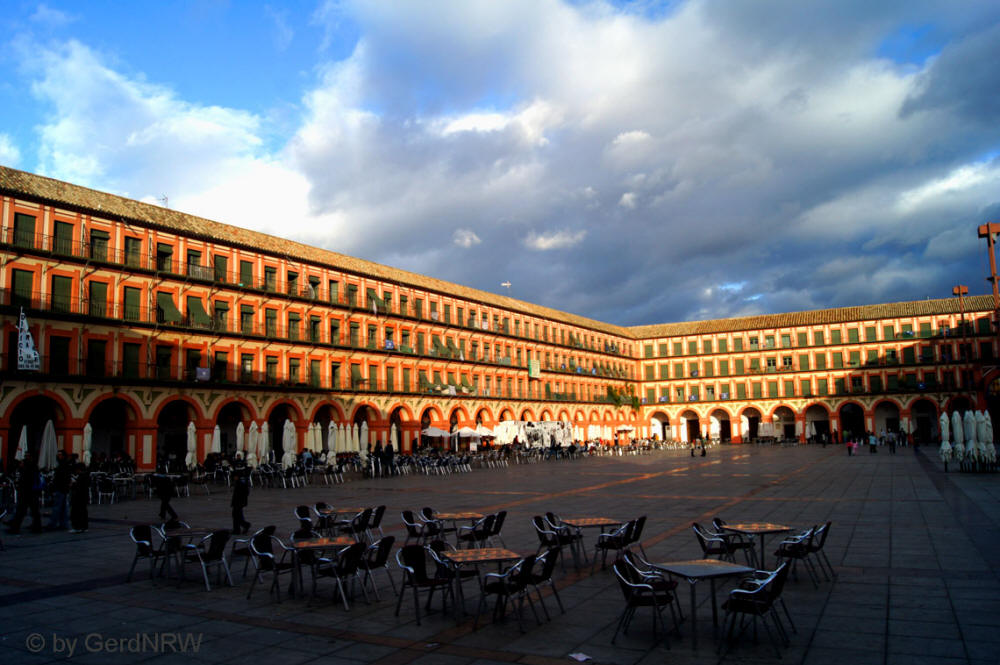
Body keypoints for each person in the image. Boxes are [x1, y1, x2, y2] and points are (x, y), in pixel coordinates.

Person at [6, 452, 43, 534]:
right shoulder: (33, 467)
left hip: (27, 492)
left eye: (27, 456)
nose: (25, 457)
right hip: (31, 492)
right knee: (33, 511)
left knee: (22, 511)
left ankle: (15, 528)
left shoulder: (29, 467)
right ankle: (37, 527)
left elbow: (26, 480)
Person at [48, 450, 71, 531]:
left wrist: (55, 486)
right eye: (58, 455)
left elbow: (62, 478)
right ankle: (63, 523)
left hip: (60, 488)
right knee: (63, 507)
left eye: (60, 455)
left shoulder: (62, 466)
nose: (58, 456)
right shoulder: (65, 465)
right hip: (64, 489)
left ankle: (53, 524)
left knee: (57, 507)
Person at [69, 463, 90, 533]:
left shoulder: (81, 477)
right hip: (84, 497)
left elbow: (78, 487)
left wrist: (73, 485)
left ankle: (77, 527)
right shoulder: (86, 475)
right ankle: (84, 526)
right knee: (83, 511)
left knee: (76, 512)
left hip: (78, 497)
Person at [231, 470, 250, 534]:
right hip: (239, 502)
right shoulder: (240, 482)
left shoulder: (240, 483)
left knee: (236, 515)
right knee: (237, 515)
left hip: (238, 502)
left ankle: (244, 525)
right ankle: (237, 529)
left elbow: (244, 493)